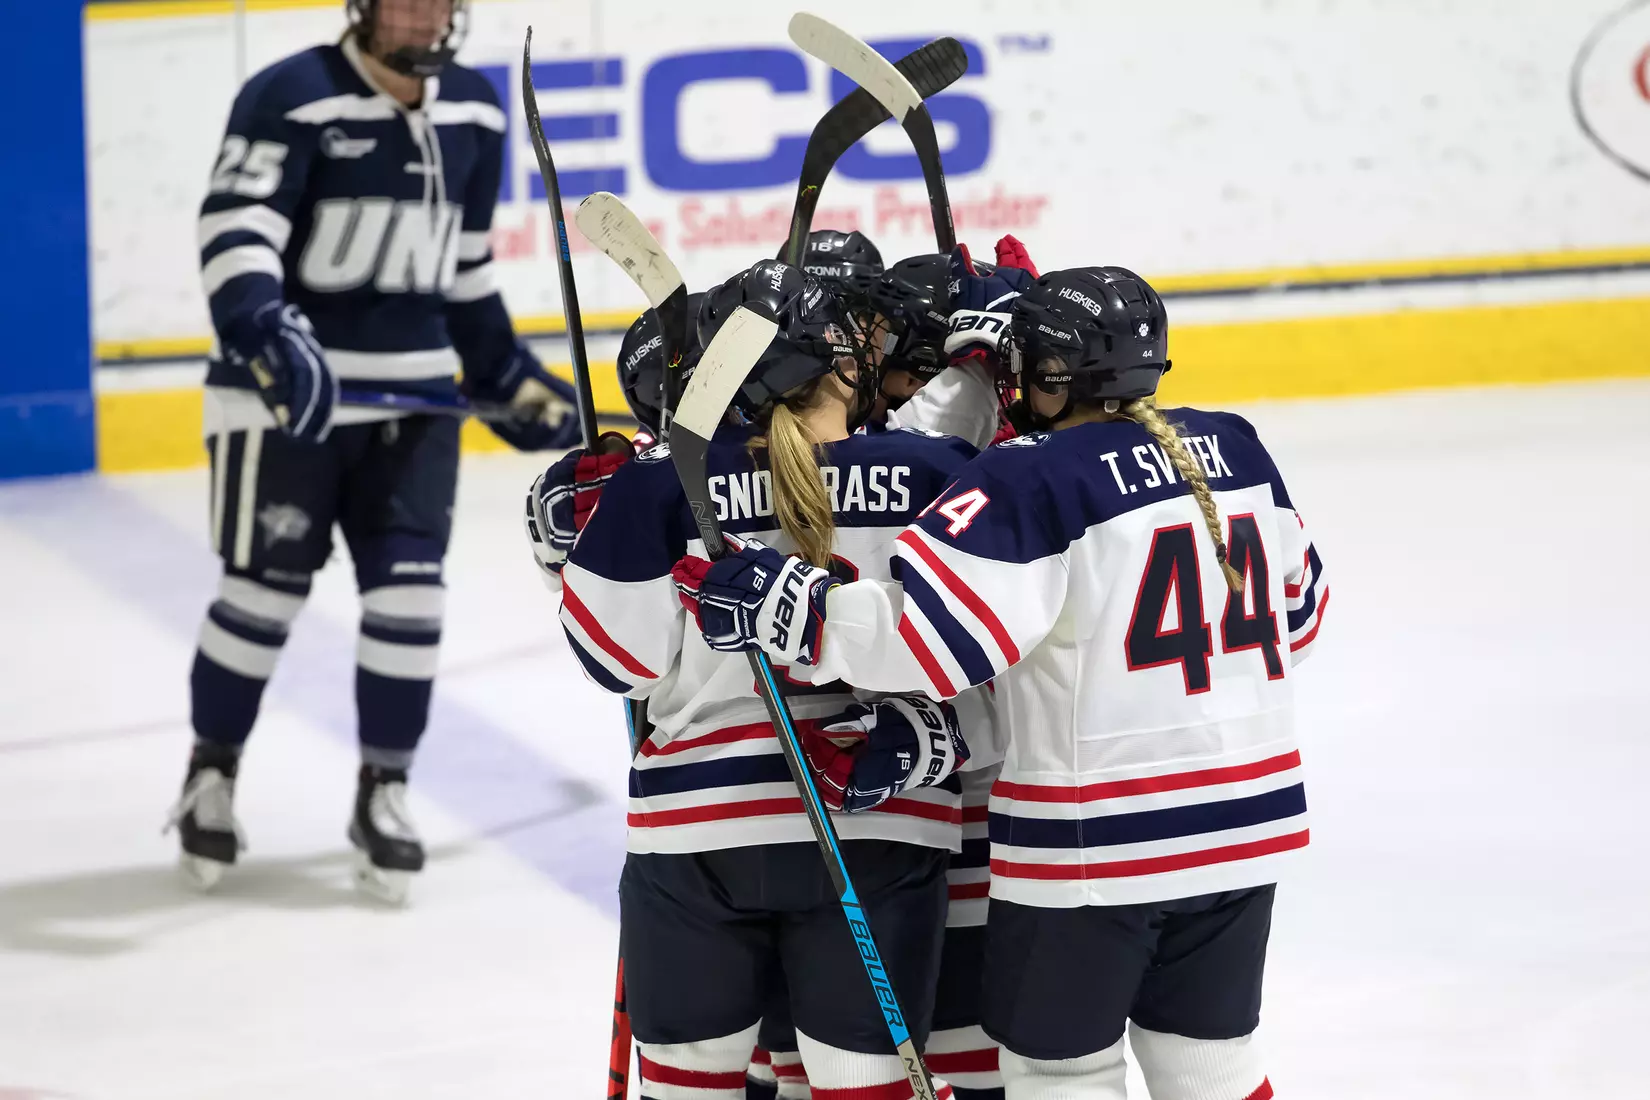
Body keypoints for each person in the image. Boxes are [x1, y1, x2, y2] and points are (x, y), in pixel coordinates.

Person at [676, 266, 1330, 1100]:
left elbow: (932, 640)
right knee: (1210, 1064)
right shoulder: (1236, 447)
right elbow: (1300, 622)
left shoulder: (1033, 476)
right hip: (1245, 828)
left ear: (1049, 374)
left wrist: (796, 608)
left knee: (1061, 1073)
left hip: (1098, 840)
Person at [556, 260, 1001, 1098]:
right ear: (833, 365)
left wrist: (570, 550)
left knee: (692, 1085)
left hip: (696, 838)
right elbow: (990, 652)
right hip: (878, 832)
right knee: (864, 1085)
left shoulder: (659, 486)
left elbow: (616, 662)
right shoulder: (935, 473)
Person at [168, 0, 580, 903]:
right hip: (288, 403)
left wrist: (510, 379)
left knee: (410, 597)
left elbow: (465, 274)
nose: (423, 15)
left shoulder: (473, 106)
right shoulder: (292, 95)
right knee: (262, 593)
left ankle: (384, 788)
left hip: (416, 402)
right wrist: (266, 333)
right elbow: (234, 230)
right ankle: (211, 772)